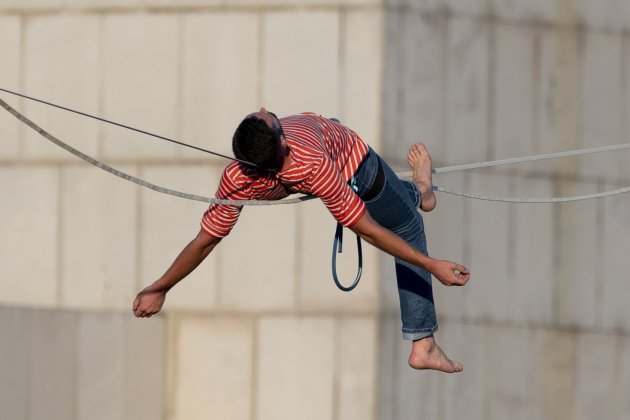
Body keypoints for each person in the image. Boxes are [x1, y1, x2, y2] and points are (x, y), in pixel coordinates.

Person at [133, 109, 470, 373]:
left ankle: (421, 190)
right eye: (269, 117)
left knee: (399, 201)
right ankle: (423, 342)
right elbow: (366, 229)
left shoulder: (237, 176)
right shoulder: (311, 167)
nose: (266, 108)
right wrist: (431, 264)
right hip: (353, 161)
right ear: (282, 144)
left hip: (325, 134)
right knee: (407, 226)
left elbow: (205, 240)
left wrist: (160, 288)